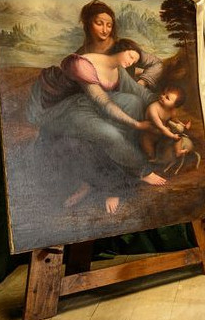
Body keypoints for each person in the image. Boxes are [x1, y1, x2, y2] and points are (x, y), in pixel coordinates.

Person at [28, 37, 164, 214]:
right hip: (68, 111)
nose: (131, 62)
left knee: (133, 102)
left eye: (135, 61)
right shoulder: (82, 63)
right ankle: (134, 174)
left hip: (86, 103)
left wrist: (158, 105)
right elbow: (103, 102)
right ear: (122, 48)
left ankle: (123, 170)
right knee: (110, 134)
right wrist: (136, 124)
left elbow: (138, 92)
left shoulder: (117, 70)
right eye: (131, 55)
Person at [76, 0, 164, 90]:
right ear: (88, 24)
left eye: (109, 25)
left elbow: (158, 64)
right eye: (99, 24)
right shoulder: (82, 53)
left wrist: (142, 82)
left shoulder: (124, 48)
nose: (105, 30)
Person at [139, 84, 188, 162]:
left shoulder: (172, 110)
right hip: (150, 133)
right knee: (148, 148)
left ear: (174, 105)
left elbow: (175, 119)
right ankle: (152, 159)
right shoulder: (153, 108)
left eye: (167, 97)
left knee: (179, 137)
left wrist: (182, 124)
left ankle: (178, 151)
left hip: (163, 132)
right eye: (163, 94)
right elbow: (160, 127)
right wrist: (172, 136)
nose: (162, 96)